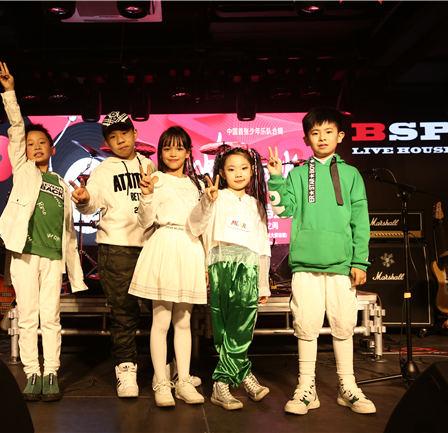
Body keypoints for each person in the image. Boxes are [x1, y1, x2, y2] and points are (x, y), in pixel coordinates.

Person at [267, 107, 376, 415]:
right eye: (315, 133)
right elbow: (283, 211)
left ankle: (347, 386)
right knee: (306, 324)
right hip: (306, 264)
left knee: (344, 324)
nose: (322, 138)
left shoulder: (351, 174)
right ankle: (306, 388)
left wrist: (360, 261)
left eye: (328, 132)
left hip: (342, 265)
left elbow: (360, 220)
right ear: (306, 139)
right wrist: (276, 178)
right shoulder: (298, 174)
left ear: (340, 136)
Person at [0, 61, 88, 401]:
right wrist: (10, 93)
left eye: (41, 143)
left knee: (51, 319)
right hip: (25, 254)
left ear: (52, 148)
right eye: (30, 143)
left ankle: (51, 374)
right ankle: (32, 373)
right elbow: (16, 129)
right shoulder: (23, 171)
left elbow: (71, 229)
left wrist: (84, 202)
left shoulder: (61, 183)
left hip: (52, 258)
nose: (35, 146)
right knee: (27, 317)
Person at [69, 111, 157, 398]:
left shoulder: (149, 165)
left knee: (159, 311)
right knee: (123, 313)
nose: (120, 140)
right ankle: (126, 369)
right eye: (113, 137)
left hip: (150, 247)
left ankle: (164, 368)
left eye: (124, 134)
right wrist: (83, 200)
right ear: (107, 143)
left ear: (135, 134)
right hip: (117, 248)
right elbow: (90, 201)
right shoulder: (105, 170)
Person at [188, 146, 272, 411]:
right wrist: (206, 202)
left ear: (252, 171)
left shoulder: (255, 204)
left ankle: (222, 382)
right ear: (222, 173)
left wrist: (263, 282)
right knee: (223, 326)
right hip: (221, 265)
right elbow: (197, 229)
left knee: (243, 326)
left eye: (244, 168)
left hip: (248, 268)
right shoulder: (216, 197)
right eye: (232, 169)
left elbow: (263, 245)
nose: (239, 173)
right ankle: (242, 374)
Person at [128, 126, 206, 407]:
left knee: (183, 321)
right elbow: (144, 221)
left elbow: (199, 226)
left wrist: (208, 204)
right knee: (160, 321)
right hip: (164, 245)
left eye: (179, 148)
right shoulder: (155, 179)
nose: (173, 153)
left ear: (188, 152)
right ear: (160, 153)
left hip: (190, 248)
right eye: (167, 148)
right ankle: (161, 381)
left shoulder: (196, 184)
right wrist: (147, 195)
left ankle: (183, 380)